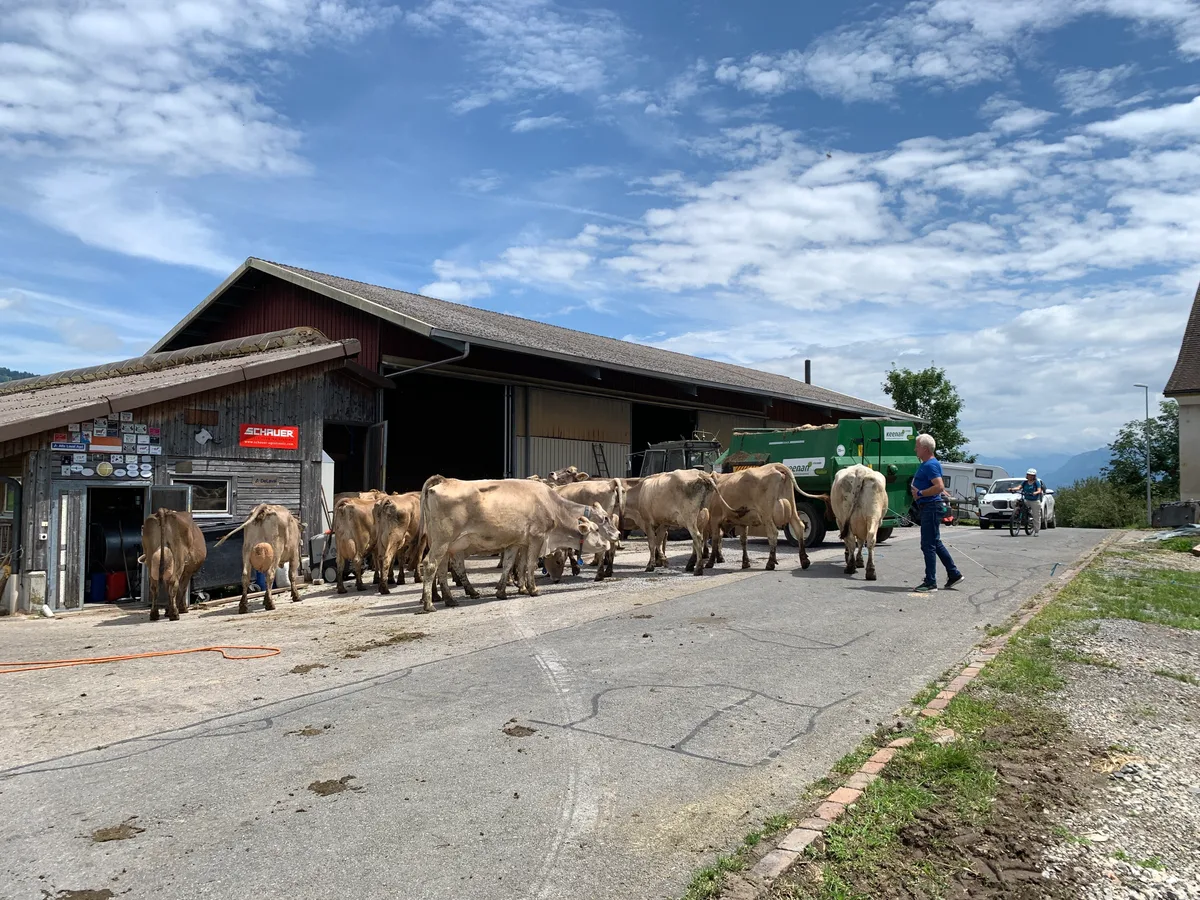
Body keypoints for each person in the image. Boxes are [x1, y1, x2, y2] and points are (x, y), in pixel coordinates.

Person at [910, 433, 964, 593]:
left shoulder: (930, 465)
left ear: (925, 448)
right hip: (929, 506)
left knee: (928, 545)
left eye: (917, 447)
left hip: (931, 506)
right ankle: (954, 573)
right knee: (935, 542)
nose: (915, 449)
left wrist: (920, 493)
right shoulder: (928, 464)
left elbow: (939, 487)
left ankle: (930, 582)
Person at [1010, 468, 1044, 536]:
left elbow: (1039, 490)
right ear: (1027, 475)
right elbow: (1019, 487)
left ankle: (1036, 531)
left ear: (1034, 476)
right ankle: (1017, 512)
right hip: (1026, 499)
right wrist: (1012, 489)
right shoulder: (1025, 482)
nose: (1030, 476)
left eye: (1032, 475)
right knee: (1014, 501)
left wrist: (1035, 492)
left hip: (1034, 500)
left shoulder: (1036, 482)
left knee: (1036, 516)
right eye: (1029, 475)